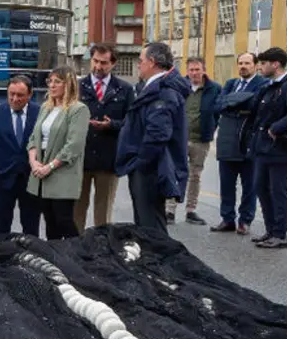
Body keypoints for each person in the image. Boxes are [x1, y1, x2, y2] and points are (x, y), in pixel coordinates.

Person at [116, 42, 190, 234]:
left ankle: (158, 262)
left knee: (151, 227)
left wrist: (140, 162)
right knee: (145, 223)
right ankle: (150, 260)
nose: (138, 65)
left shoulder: (163, 92)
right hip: (148, 167)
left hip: (151, 169)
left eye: (141, 61)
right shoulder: (153, 88)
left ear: (152, 62)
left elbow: (158, 134)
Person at [75, 43, 134, 233]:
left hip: (109, 159)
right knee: (77, 210)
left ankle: (101, 249)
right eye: (95, 61)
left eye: (104, 63)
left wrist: (112, 125)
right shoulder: (78, 86)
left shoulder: (124, 89)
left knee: (103, 211)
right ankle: (76, 247)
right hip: (80, 158)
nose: (98, 67)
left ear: (113, 64)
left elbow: (132, 122)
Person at [26, 67, 90, 239]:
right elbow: (33, 138)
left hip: (62, 171)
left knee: (64, 220)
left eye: (57, 81)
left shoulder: (78, 110)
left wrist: (50, 166)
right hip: (41, 171)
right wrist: (34, 162)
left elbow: (74, 146)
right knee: (49, 221)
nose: (52, 85)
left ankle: (79, 257)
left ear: (68, 84)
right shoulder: (45, 108)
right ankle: (55, 258)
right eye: (50, 81)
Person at [211, 51, 266, 234]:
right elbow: (218, 105)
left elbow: (254, 106)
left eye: (247, 63)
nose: (243, 66)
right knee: (226, 184)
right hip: (227, 141)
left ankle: (245, 221)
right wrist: (237, 103)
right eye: (240, 63)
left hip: (248, 140)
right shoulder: (231, 83)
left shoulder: (262, 84)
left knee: (249, 185)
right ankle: (227, 219)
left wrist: (231, 104)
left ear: (255, 65)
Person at [246, 47, 287, 249]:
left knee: (278, 191)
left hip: (280, 149)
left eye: (264, 63)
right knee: (261, 188)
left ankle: (280, 235)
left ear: (276, 64)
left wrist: (276, 128)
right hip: (262, 148)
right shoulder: (268, 87)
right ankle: (270, 229)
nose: (260, 67)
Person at [0, 75, 41, 236]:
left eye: (20, 95)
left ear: (30, 94)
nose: (15, 99)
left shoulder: (41, 113)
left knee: (31, 227)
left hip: (32, 179)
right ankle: (0, 259)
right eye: (11, 94)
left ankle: (30, 258)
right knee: (0, 228)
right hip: (1, 178)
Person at [165, 57, 220, 225]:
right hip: (179, 139)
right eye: (191, 70)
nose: (194, 73)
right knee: (173, 173)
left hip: (200, 140)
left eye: (197, 69)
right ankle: (169, 210)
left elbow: (217, 111)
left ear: (204, 70)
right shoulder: (179, 86)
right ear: (186, 71)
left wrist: (209, 128)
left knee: (195, 175)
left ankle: (191, 210)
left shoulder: (214, 88)